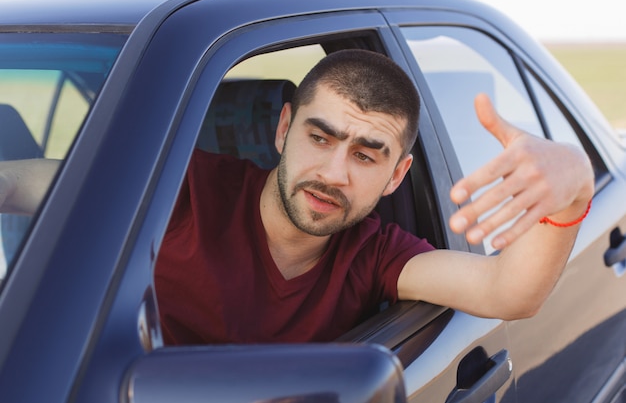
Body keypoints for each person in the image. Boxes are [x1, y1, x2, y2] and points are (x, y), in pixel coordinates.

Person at [0, 50, 594, 345]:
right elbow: (15, 185)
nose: (334, 172)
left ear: (397, 176)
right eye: (320, 136)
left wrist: (571, 186)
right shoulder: (182, 191)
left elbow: (507, 292)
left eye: (366, 154)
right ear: (283, 130)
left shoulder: (377, 254)